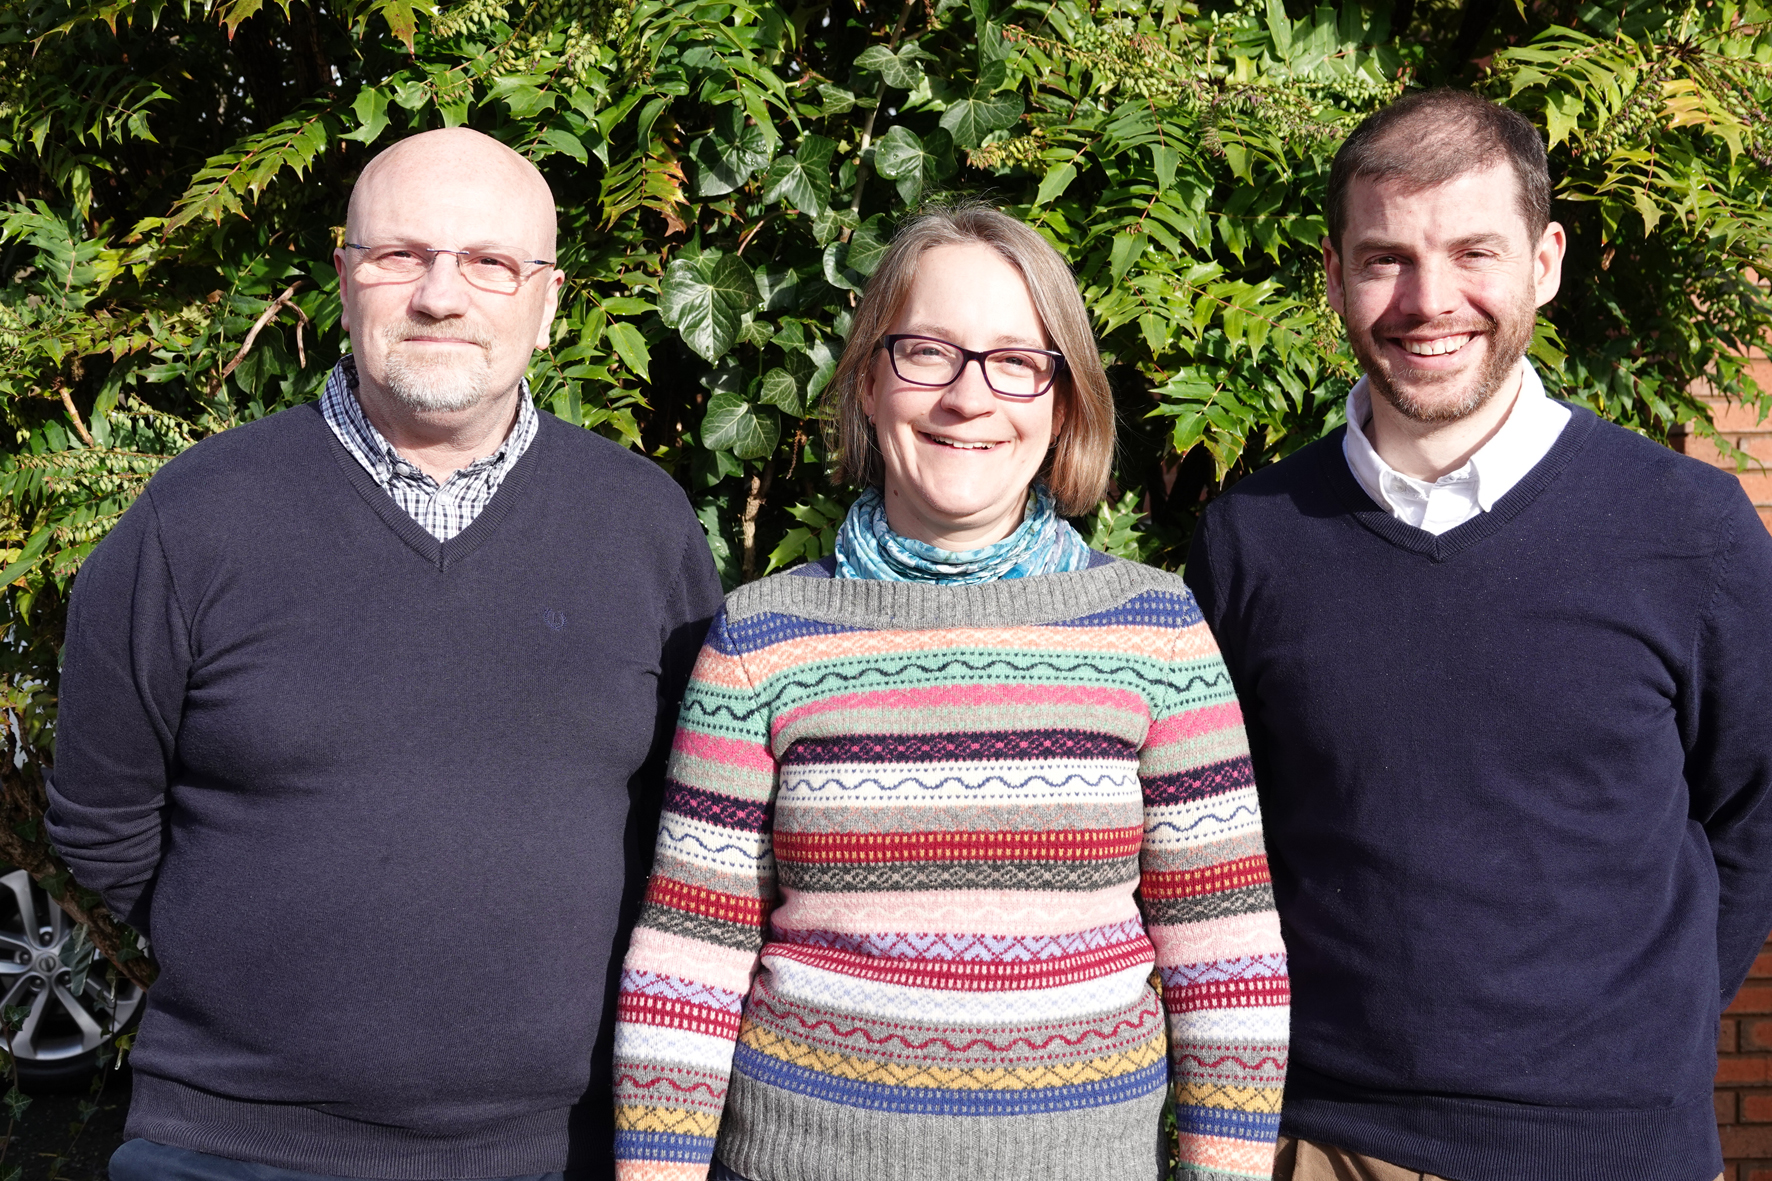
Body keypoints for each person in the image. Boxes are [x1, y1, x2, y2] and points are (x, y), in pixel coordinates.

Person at [47, 127, 723, 1181]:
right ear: (343, 279)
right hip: (232, 1146)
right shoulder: (196, 520)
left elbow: (693, 824)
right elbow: (101, 819)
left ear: (546, 303)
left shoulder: (641, 524)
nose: (440, 296)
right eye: (400, 255)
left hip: (560, 1150)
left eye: (490, 262)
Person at [609, 206, 1289, 1181]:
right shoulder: (763, 639)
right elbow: (690, 960)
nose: (969, 397)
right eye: (927, 351)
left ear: (1062, 398)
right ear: (870, 379)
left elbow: (1224, 958)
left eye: (1016, 359)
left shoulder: (1154, 633)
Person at [1184, 89, 1772, 1181]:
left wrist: (1646, 1020)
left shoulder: (1687, 531)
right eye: (1384, 258)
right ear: (1331, 273)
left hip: (1616, 1147)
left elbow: (1753, 810)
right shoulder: (1250, 540)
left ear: (1543, 261)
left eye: (1471, 251)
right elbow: (1218, 850)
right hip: (1328, 1142)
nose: (1427, 299)